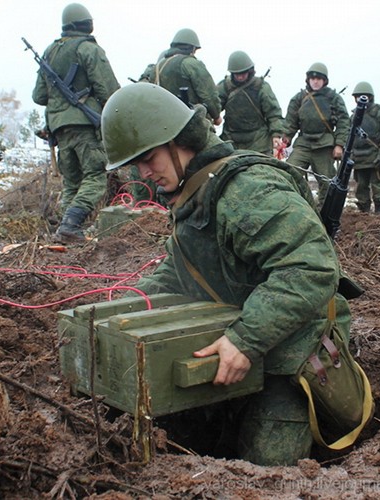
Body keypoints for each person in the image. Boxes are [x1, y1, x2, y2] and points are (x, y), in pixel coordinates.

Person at [100, 83, 353, 466]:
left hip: (292, 349)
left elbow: (312, 268)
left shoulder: (246, 190)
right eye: (136, 165)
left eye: (149, 158)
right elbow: (179, 268)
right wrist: (129, 307)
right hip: (234, 336)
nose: (145, 173)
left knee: (266, 469)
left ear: (177, 141)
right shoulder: (195, 190)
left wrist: (245, 340)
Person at [31, 2, 120, 242]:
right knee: (95, 176)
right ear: (87, 25)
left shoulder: (50, 51)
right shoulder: (89, 49)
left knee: (71, 182)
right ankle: (71, 225)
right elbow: (109, 90)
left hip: (59, 128)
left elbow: (39, 96)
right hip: (84, 125)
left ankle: (65, 231)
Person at [282, 62, 350, 207]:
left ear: (324, 80)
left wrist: (339, 144)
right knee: (288, 173)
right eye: (312, 78)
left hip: (324, 144)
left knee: (327, 182)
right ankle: (293, 206)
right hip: (303, 143)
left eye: (319, 78)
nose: (315, 81)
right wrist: (285, 139)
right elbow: (291, 121)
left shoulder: (333, 98)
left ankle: (325, 213)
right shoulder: (299, 98)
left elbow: (344, 122)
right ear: (308, 80)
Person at [217, 51, 284, 155]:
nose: (240, 77)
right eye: (237, 74)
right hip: (230, 140)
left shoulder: (262, 87)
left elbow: (273, 113)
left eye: (243, 73)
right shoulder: (225, 87)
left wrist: (276, 134)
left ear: (249, 71)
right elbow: (214, 106)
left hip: (259, 141)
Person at [152, 28, 223, 127]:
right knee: (222, 143)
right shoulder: (191, 63)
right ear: (192, 48)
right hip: (190, 124)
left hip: (162, 124)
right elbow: (208, 95)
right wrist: (216, 115)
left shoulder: (158, 66)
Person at [349, 82, 380, 214]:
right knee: (361, 185)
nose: (360, 99)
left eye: (363, 96)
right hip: (358, 156)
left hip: (376, 153)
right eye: (357, 97)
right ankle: (364, 209)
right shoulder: (354, 116)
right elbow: (349, 136)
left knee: (377, 183)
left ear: (370, 97)